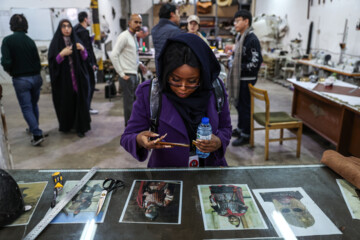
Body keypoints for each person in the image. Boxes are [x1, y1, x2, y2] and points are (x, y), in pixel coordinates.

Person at [120, 33, 232, 168]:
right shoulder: (150, 93)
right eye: (175, 80)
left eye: (192, 81)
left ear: (203, 76)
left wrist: (219, 141)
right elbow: (127, 137)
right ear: (166, 73)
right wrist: (139, 140)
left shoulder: (215, 88)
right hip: (167, 174)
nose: (183, 88)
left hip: (210, 171)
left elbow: (226, 128)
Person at [1, 14, 45, 146]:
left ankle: (37, 134)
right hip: (36, 78)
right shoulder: (30, 41)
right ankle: (33, 128)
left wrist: (9, 70)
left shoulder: (7, 41)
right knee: (33, 105)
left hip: (21, 80)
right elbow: (37, 61)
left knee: (26, 107)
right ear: (25, 25)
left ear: (11, 25)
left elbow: (6, 61)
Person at [48, 19, 91, 138]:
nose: (67, 29)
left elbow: (85, 59)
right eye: (64, 26)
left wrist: (83, 50)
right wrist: (61, 54)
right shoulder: (56, 43)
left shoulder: (76, 40)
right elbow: (52, 63)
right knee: (67, 101)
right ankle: (68, 125)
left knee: (79, 101)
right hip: (64, 80)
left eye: (69, 26)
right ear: (60, 28)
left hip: (77, 78)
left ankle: (80, 127)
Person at [227, 10, 263, 147]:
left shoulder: (251, 39)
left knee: (245, 107)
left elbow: (255, 63)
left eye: (237, 21)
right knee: (239, 106)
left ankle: (246, 135)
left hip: (247, 80)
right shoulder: (240, 37)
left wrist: (237, 66)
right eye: (234, 21)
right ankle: (240, 129)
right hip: (240, 79)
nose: (235, 23)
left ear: (246, 21)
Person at [111, 14, 146, 126]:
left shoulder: (134, 37)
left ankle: (133, 125)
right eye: (136, 22)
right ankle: (129, 127)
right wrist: (121, 73)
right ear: (129, 23)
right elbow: (114, 55)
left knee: (135, 103)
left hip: (134, 74)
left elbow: (132, 55)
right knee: (128, 104)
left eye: (140, 22)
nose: (138, 24)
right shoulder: (124, 36)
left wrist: (139, 64)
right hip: (127, 75)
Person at [74, 11, 98, 115]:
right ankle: (87, 108)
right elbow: (87, 49)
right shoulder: (83, 32)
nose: (89, 20)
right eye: (88, 18)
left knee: (86, 85)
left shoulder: (75, 29)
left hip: (80, 64)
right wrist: (92, 63)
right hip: (86, 64)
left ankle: (86, 107)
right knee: (90, 85)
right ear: (85, 19)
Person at [151, 3, 181, 70]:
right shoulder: (175, 31)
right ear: (172, 14)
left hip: (159, 68)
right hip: (172, 70)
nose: (179, 16)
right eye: (178, 13)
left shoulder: (154, 30)